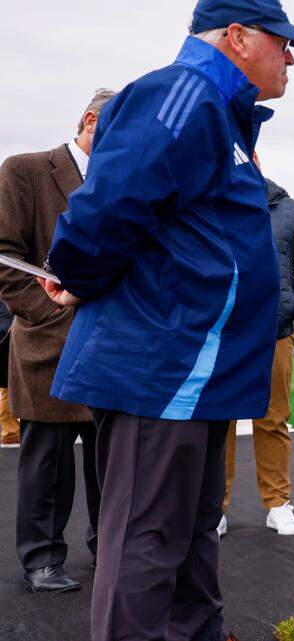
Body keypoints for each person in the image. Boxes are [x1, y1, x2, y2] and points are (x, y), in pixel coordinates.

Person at [39, 1, 294, 638]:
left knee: (192, 543)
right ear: (237, 37)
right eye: (282, 42)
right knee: (146, 546)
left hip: (198, 372)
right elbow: (107, 209)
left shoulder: (217, 110)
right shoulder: (181, 94)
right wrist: (77, 276)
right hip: (162, 370)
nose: (290, 58)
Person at [0, 89, 115, 592]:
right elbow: (4, 256)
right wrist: (51, 313)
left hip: (110, 351)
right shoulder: (24, 171)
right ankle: (42, 559)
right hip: (48, 346)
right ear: (89, 121)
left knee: (109, 465)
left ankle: (108, 550)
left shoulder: (124, 184)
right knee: (46, 464)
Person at [220, 169, 294, 538]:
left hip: (275, 331)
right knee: (220, 422)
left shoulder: (292, 210)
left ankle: (277, 504)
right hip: (225, 333)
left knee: (273, 419)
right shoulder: (212, 203)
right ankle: (215, 507)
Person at [0, 300, 18, 448]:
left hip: (4, 332)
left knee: (6, 386)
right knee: (7, 385)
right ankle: (11, 432)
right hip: (6, 334)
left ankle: (11, 431)